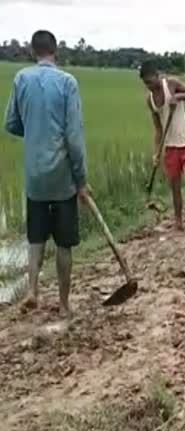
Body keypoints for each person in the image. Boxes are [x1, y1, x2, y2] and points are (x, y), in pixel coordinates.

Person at [4, 30, 87, 318]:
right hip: (62, 178)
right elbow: (74, 137)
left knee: (35, 237)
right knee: (64, 243)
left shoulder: (21, 79)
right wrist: (82, 180)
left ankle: (33, 290)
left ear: (32, 51)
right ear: (56, 52)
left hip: (34, 176)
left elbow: (11, 123)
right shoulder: (67, 82)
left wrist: (35, 132)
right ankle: (64, 305)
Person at [140, 60, 185, 232]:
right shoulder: (150, 101)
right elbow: (158, 129)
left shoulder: (171, 84)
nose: (149, 86)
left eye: (150, 82)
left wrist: (178, 97)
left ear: (157, 75)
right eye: (145, 84)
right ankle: (178, 221)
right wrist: (156, 151)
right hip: (170, 146)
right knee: (175, 185)